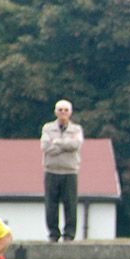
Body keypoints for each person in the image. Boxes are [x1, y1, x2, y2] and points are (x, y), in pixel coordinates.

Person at [41, 99, 84, 242]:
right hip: (51, 170)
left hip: (70, 171)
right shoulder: (48, 128)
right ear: (55, 112)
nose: (63, 113)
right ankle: (53, 233)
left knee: (70, 204)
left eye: (66, 110)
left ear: (70, 113)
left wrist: (57, 142)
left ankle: (69, 234)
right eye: (60, 110)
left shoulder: (76, 129)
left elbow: (76, 145)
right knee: (51, 204)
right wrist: (65, 145)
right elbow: (46, 147)